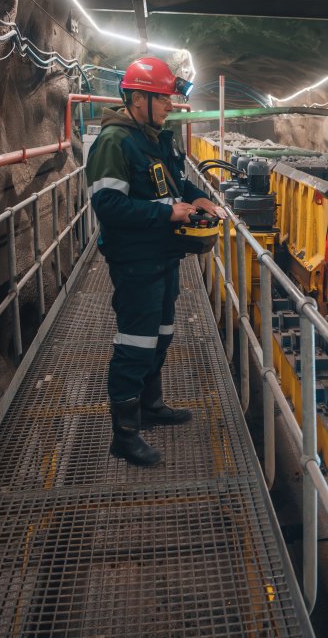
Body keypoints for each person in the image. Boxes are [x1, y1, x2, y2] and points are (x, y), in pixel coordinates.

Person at [85, 57, 225, 466]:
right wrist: (168, 213)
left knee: (161, 334)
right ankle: (124, 436)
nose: (169, 106)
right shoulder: (115, 142)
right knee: (135, 344)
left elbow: (175, 183)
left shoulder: (156, 138)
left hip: (163, 255)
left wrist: (198, 198)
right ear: (138, 99)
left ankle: (150, 405)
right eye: (162, 99)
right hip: (135, 260)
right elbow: (107, 205)